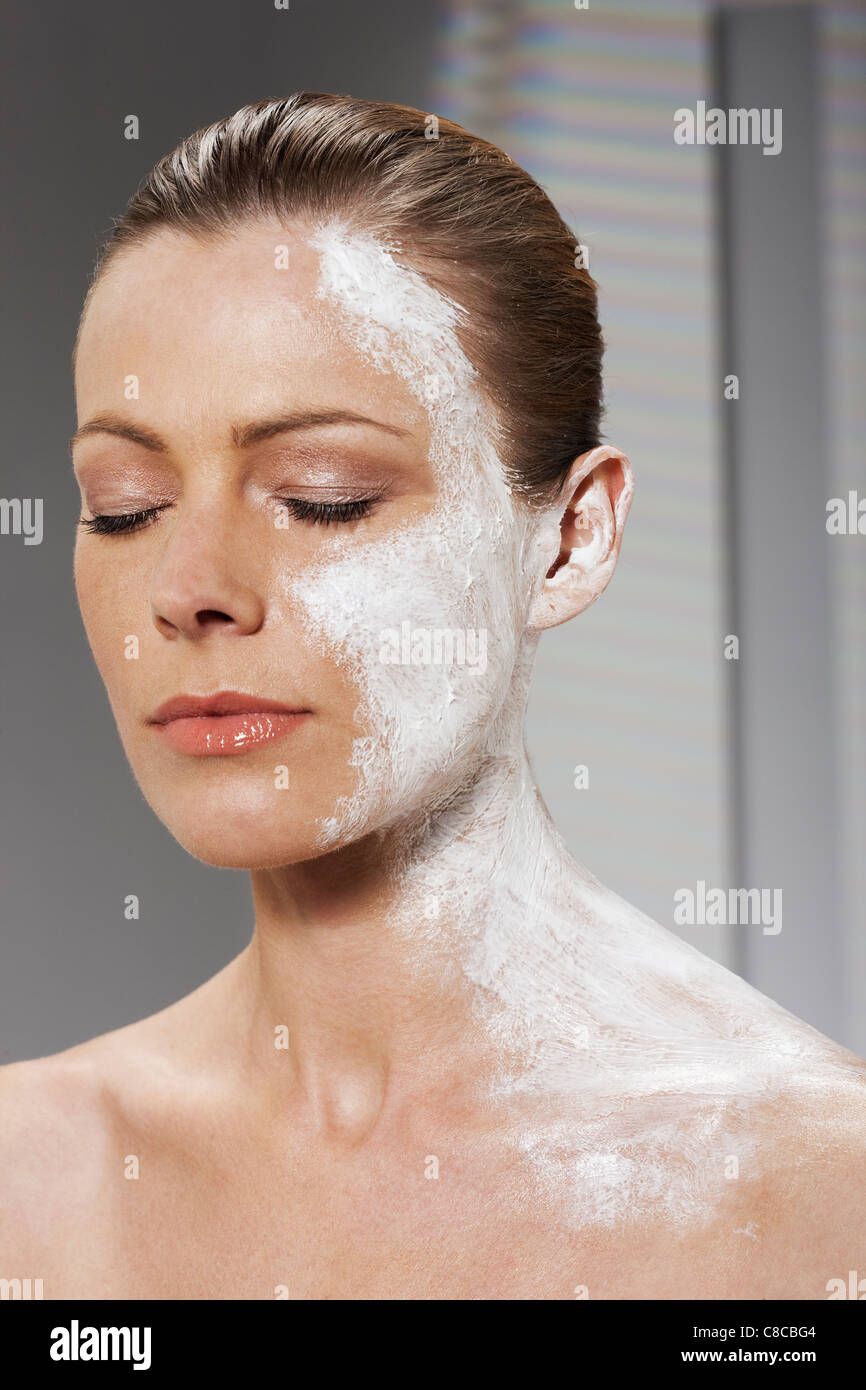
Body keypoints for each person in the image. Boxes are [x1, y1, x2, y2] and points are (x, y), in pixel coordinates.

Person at [2, 93, 864, 1300]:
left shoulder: (818, 1198)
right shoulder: (28, 1181)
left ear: (568, 538)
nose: (188, 588)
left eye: (322, 494)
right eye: (124, 507)